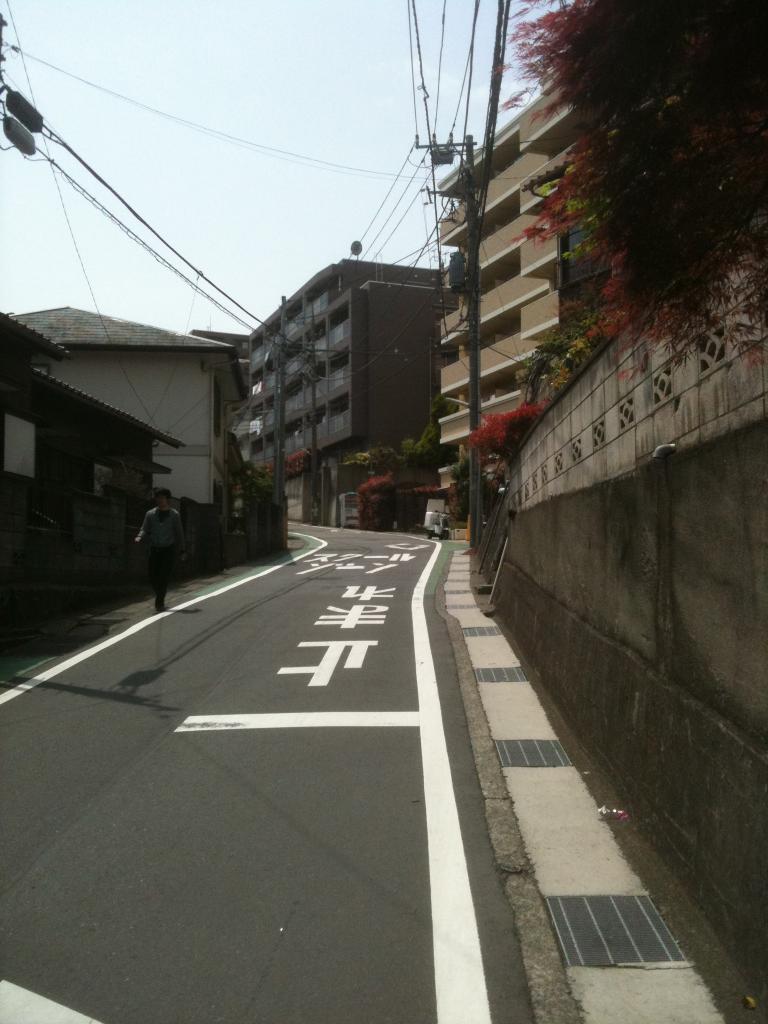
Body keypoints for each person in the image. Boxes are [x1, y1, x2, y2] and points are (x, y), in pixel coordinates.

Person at [135, 488, 186, 612]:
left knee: (164, 575)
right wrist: (139, 536)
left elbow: (179, 533)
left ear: (167, 499)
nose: (160, 500)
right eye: (158, 498)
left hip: (168, 549)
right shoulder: (150, 514)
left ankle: (159, 602)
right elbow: (144, 528)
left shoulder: (174, 515)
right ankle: (159, 594)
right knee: (152, 575)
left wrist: (182, 549)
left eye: (162, 498)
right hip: (154, 548)